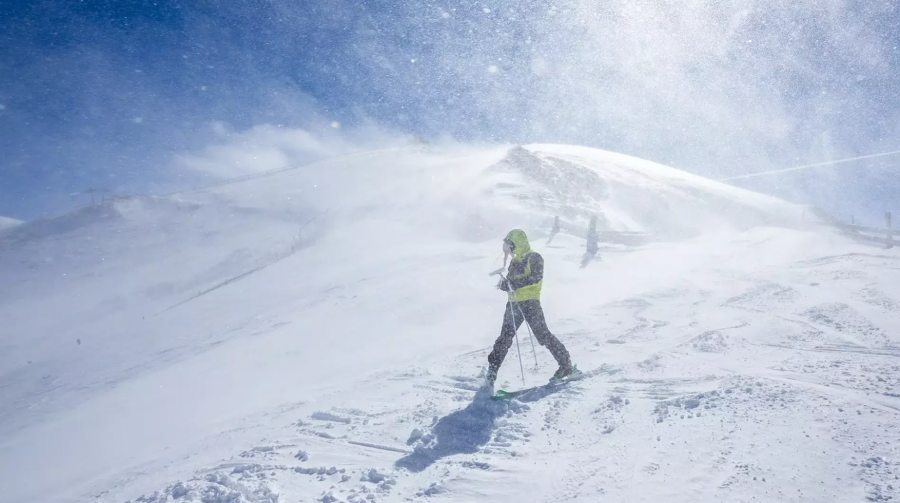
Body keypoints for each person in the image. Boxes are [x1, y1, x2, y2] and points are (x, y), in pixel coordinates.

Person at [487, 229, 574, 386]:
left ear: (517, 243)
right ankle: (492, 370)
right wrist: (504, 285)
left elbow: (535, 277)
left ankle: (566, 366)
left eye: (510, 245)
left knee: (543, 335)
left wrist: (512, 283)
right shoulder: (514, 262)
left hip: (530, 303)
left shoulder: (534, 257)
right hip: (513, 304)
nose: (508, 249)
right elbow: (512, 282)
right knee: (504, 338)